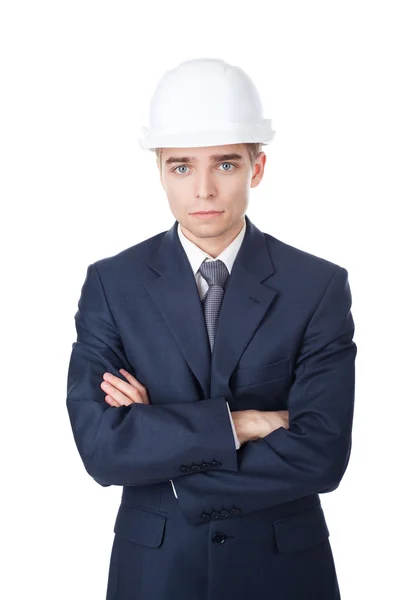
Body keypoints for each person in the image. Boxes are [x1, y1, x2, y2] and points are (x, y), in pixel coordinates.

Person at [66, 58, 356, 600]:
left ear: (257, 168)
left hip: (283, 574)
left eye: (224, 165)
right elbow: (102, 450)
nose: (203, 190)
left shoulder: (316, 287)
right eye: (181, 167)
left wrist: (161, 442)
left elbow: (322, 453)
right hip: (153, 573)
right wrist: (242, 424)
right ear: (159, 169)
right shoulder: (112, 283)